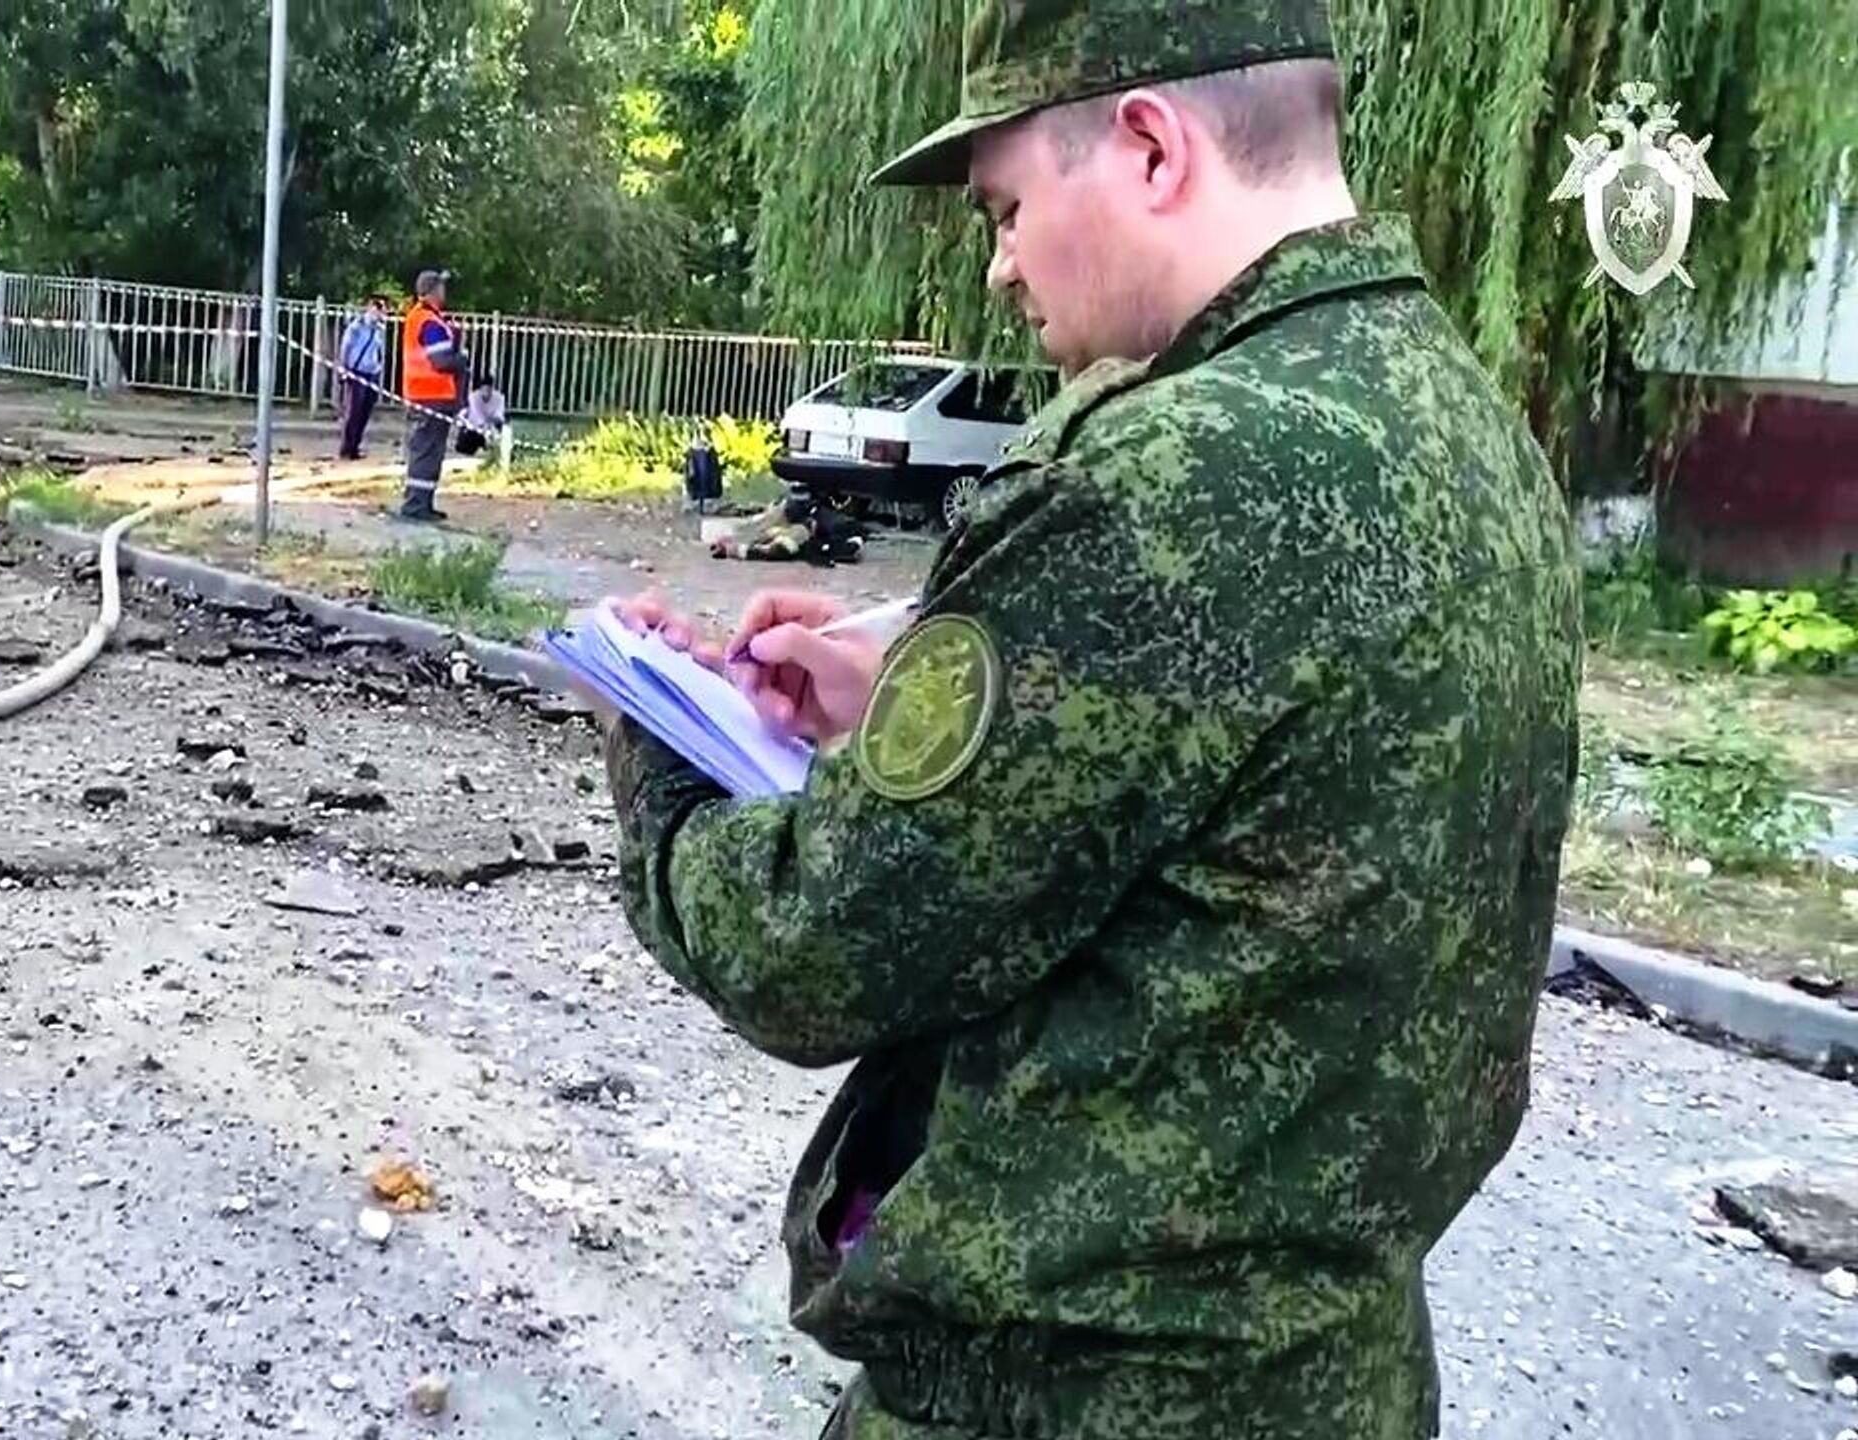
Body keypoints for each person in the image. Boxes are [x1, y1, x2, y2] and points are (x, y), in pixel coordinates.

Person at [603, 3, 1583, 1437]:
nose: (1001, 264)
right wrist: (909, 703)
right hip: (1335, 1379)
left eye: (1007, 206)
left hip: (1077, 1395)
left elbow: (810, 948)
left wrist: (663, 744)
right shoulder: (1468, 433)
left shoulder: (1161, 478)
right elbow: (1262, 804)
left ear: (1147, 145)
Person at [399, 269, 466, 522]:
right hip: (430, 396)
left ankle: (422, 504)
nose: (444, 292)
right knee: (426, 452)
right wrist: (462, 359)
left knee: (430, 452)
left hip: (427, 395)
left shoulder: (425, 318)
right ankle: (416, 506)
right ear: (432, 291)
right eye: (441, 287)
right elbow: (441, 361)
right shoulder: (429, 321)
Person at [335, 294, 388, 461]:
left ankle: (355, 446)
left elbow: (378, 351)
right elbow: (346, 347)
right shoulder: (357, 327)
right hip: (356, 372)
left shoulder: (379, 329)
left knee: (365, 411)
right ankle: (346, 448)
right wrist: (343, 369)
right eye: (378, 308)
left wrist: (378, 368)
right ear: (370, 307)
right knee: (353, 412)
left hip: (371, 373)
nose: (380, 313)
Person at [455, 374, 509, 459]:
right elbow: (476, 415)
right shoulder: (473, 397)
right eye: (484, 389)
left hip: (492, 428)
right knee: (463, 447)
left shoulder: (499, 398)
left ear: (492, 389)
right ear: (480, 389)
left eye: (489, 389)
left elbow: (499, 415)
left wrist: (491, 424)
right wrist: (483, 425)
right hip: (475, 429)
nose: (486, 392)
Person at [683, 426, 724, 511]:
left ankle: (703, 502)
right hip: (700, 494)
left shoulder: (709, 452)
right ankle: (702, 502)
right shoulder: (693, 453)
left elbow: (716, 473)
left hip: (707, 494)